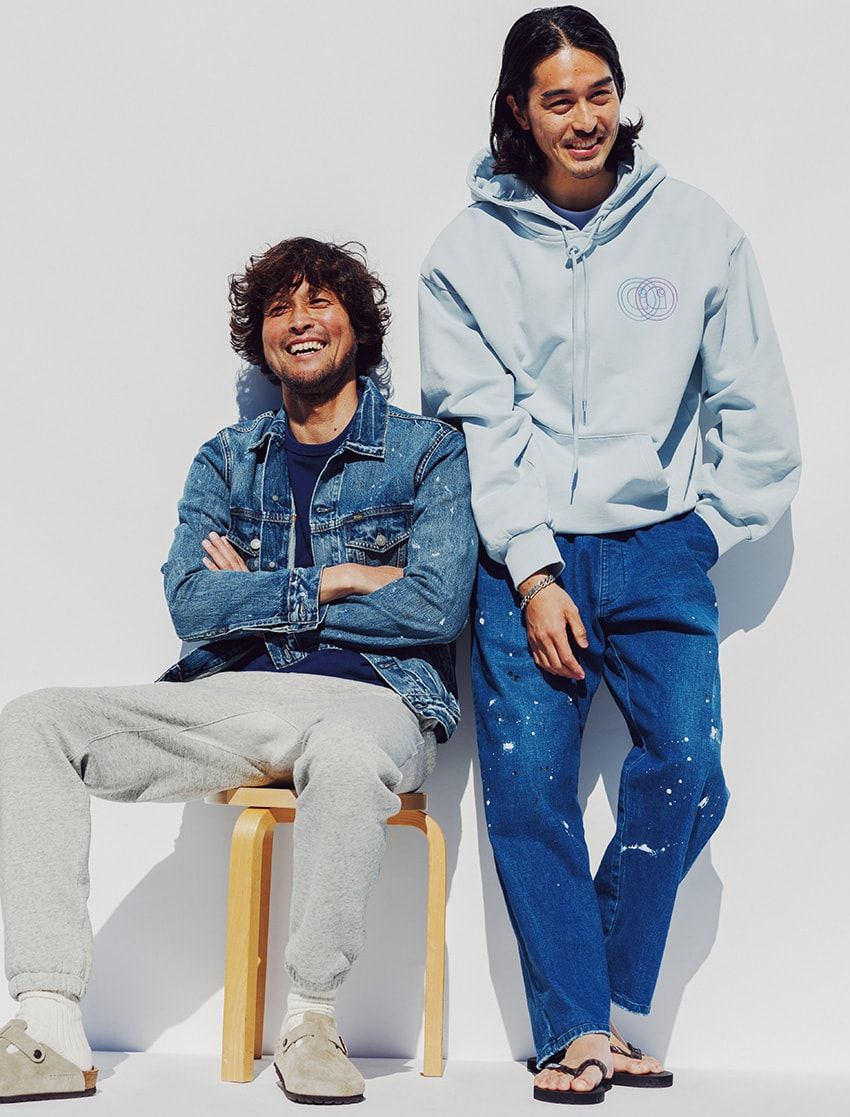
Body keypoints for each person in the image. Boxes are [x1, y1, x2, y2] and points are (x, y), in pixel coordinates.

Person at [419, 5, 800, 1104]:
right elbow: (481, 425)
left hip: (657, 550)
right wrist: (533, 568)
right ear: (518, 110)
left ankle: (593, 994)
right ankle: (579, 1034)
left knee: (687, 770)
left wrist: (700, 535)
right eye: (558, 100)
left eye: (600, 92)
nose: (584, 118)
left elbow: (756, 412)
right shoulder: (467, 253)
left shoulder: (697, 231)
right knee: (529, 795)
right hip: (522, 563)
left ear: (620, 95)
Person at [0, 237, 477, 1105]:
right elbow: (190, 601)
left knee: (342, 752)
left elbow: (435, 605)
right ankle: (47, 1030)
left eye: (320, 300)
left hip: (375, 699)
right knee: (33, 721)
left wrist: (253, 592)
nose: (300, 321)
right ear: (261, 338)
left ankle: (313, 1022)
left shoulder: (426, 452)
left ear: (357, 325)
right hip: (236, 697)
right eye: (279, 308)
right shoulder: (228, 458)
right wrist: (336, 578)